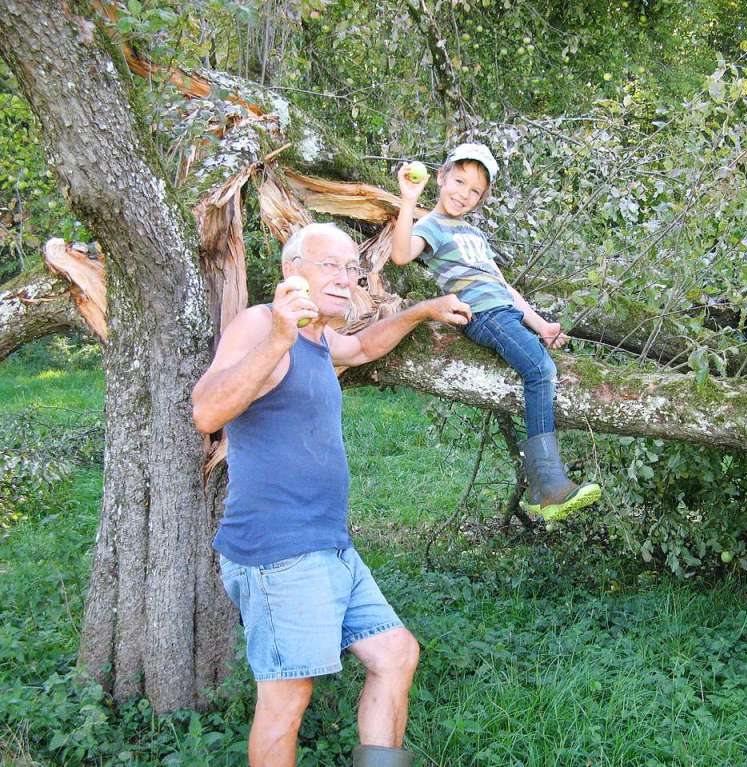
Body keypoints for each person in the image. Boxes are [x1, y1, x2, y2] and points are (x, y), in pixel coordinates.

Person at [192, 222, 471, 767]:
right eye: (331, 266)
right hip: (280, 550)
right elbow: (206, 411)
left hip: (329, 545)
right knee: (286, 698)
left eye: (353, 269)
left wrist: (420, 311)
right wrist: (278, 334)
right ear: (291, 269)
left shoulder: (319, 338)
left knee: (395, 654)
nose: (347, 280)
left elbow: (363, 346)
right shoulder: (259, 324)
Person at [390, 143, 601, 522]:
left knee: (541, 365)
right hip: (483, 315)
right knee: (540, 371)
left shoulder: (475, 236)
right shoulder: (431, 226)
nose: (463, 195)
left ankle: (544, 486)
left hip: (503, 310)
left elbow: (506, 288)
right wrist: (408, 199)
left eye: (474, 191)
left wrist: (541, 325)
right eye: (458, 182)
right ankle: (548, 487)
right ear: (441, 177)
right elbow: (402, 254)